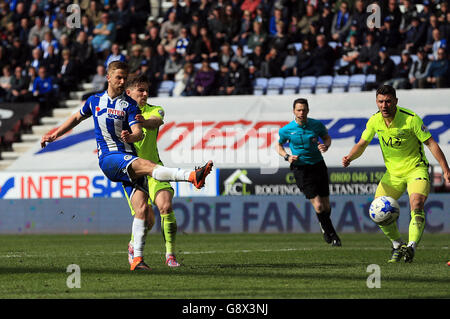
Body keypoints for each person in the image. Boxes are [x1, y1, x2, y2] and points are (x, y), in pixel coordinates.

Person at [40, 61, 213, 271]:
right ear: (108, 77)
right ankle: (191, 176)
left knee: (143, 212)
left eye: (125, 78)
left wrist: (132, 135)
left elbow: (139, 131)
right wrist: (54, 134)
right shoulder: (95, 101)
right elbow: (77, 117)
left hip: (130, 161)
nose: (122, 81)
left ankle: (137, 259)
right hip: (110, 158)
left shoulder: (129, 107)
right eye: (119, 77)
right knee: (149, 167)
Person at [342, 85, 450, 263]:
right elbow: (362, 143)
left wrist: (445, 169)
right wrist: (350, 157)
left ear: (396, 101)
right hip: (392, 175)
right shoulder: (375, 120)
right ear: (376, 102)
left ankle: (411, 247)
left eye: (388, 101)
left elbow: (431, 143)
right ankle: (397, 244)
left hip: (416, 169)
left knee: (416, 204)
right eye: (380, 101)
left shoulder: (411, 119)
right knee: (376, 211)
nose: (384, 105)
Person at [125, 74, 181, 267]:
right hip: (134, 174)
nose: (145, 93)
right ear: (129, 92)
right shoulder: (119, 115)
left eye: (147, 90)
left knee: (165, 206)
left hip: (155, 168)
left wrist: (141, 122)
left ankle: (170, 255)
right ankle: (134, 245)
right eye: (141, 90)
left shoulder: (155, 110)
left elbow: (155, 122)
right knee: (146, 217)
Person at [277, 98, 341, 247]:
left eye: (304, 110)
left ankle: (324, 225)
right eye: (299, 110)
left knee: (326, 206)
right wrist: (287, 156)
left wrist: (326, 146)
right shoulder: (286, 130)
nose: (301, 113)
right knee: (318, 206)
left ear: (308, 110)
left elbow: (327, 138)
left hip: (318, 165)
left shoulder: (316, 125)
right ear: (293, 111)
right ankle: (333, 234)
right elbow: (278, 145)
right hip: (301, 168)